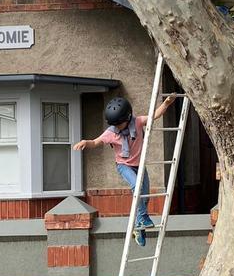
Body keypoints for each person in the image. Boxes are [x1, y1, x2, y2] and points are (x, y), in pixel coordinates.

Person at [73, 94, 176, 246]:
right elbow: (95, 142)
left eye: (119, 124)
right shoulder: (111, 132)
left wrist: (166, 103)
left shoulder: (138, 122)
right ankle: (144, 218)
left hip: (140, 165)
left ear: (127, 118)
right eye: (114, 124)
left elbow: (155, 115)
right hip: (124, 165)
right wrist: (84, 142)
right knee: (137, 186)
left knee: (144, 196)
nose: (117, 127)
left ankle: (138, 228)